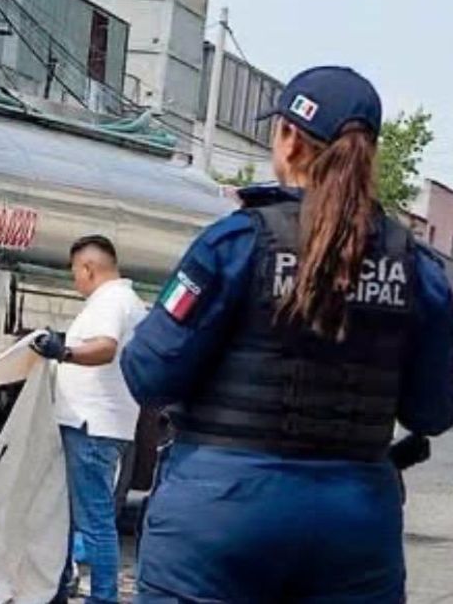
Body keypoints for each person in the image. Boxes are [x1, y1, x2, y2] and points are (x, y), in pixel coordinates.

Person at [120, 67, 453, 602]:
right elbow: (432, 412)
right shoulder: (417, 266)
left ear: (290, 138)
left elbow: (149, 374)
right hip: (354, 525)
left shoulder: (236, 243)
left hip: (220, 516)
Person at [29, 235, 148, 604]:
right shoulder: (124, 301)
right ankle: (60, 586)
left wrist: (63, 351)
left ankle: (102, 597)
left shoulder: (111, 300)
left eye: (75, 273)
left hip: (92, 426)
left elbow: (105, 348)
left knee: (95, 521)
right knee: (66, 516)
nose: (75, 281)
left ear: (88, 268)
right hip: (94, 423)